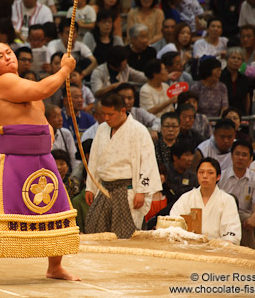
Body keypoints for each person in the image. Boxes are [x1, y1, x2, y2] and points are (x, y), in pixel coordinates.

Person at [0, 41, 80, 285]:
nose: (8, 57)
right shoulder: (3, 82)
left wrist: (47, 128)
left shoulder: (21, 83)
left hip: (41, 157)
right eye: (1, 56)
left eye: (9, 52)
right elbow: (42, 90)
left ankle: (55, 267)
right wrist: (64, 71)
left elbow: (34, 107)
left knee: (56, 212)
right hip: (14, 159)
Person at [85, 92, 161, 238]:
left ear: (122, 110)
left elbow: (148, 162)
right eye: (103, 114)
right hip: (104, 188)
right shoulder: (102, 129)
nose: (106, 118)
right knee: (94, 229)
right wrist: (91, 187)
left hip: (128, 189)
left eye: (110, 114)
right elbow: (94, 159)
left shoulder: (139, 130)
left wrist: (142, 191)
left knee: (125, 235)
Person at [170, 157, 241, 245]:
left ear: (218, 176)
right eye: (201, 172)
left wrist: (224, 245)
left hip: (217, 249)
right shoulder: (186, 198)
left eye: (210, 173)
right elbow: (174, 224)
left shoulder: (227, 200)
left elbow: (232, 231)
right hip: (189, 247)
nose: (205, 176)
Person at [219, 140, 255, 251]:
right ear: (231, 156)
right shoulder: (221, 176)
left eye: (244, 155)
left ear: (251, 159)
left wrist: (254, 217)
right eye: (237, 154)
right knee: (246, 220)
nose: (240, 158)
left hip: (247, 213)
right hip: (225, 215)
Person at [45, 104, 78, 171]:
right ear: (46, 119)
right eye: (55, 116)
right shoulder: (42, 137)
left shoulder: (66, 134)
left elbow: (74, 158)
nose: (60, 119)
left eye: (60, 115)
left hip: (65, 173)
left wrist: (74, 176)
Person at [220, 47, 251, 115]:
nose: (236, 61)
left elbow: (246, 99)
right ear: (227, 59)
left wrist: (247, 113)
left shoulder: (244, 79)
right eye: (233, 58)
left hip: (240, 113)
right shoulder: (220, 77)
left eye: (239, 59)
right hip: (223, 112)